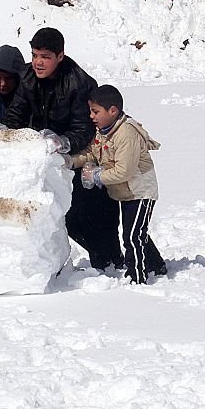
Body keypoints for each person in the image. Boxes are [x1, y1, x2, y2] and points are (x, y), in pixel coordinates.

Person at [3, 27, 124, 270]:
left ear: (60, 56)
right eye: (35, 55)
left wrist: (63, 142)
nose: (38, 62)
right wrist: (11, 138)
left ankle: (110, 264)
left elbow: (86, 128)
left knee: (93, 214)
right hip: (45, 158)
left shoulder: (80, 83)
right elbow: (16, 114)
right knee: (60, 216)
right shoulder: (26, 77)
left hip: (83, 156)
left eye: (45, 56)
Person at [70, 85, 167, 284]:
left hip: (140, 191)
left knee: (132, 235)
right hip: (125, 192)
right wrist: (71, 161)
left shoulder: (126, 134)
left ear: (112, 111)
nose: (91, 116)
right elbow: (92, 152)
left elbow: (124, 171)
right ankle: (156, 265)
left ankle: (137, 276)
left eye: (95, 111)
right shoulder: (103, 131)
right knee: (136, 232)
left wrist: (97, 176)